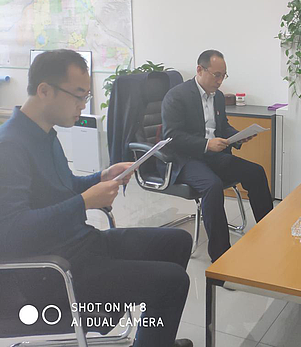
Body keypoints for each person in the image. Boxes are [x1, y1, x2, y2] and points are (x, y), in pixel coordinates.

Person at [0, 50, 193, 347]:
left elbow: (62, 189)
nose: (83, 105)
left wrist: (100, 178)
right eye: (78, 95)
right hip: (52, 273)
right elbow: (12, 231)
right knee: (173, 281)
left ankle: (155, 339)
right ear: (45, 91)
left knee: (177, 242)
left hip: (79, 245)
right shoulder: (10, 145)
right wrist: (84, 202)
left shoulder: (45, 134)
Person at [162, 49, 274, 262]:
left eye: (223, 75)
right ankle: (221, 257)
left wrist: (238, 137)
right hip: (186, 159)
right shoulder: (177, 96)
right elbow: (172, 137)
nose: (220, 81)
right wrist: (206, 144)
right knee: (212, 186)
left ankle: (271, 232)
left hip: (214, 156)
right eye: (216, 75)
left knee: (255, 172)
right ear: (199, 70)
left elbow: (222, 126)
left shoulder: (218, 97)